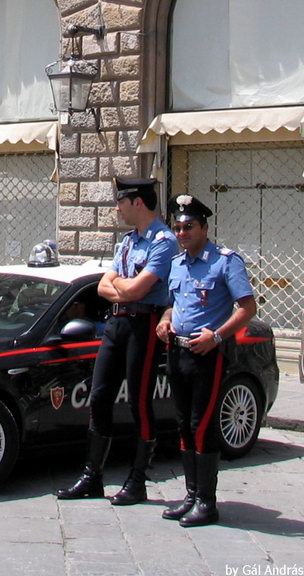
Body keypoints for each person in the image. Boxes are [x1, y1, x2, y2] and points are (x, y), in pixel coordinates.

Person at [57, 176, 179, 505]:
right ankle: (92, 476)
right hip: (117, 322)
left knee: (140, 401)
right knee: (99, 397)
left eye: (121, 202)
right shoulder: (128, 241)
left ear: (138, 202)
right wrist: (125, 286)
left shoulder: (163, 241)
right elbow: (102, 287)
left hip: (145, 323)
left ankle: (137, 480)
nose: (117, 208)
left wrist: (123, 286)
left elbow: (139, 290)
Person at [156, 195, 256, 527]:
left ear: (204, 228)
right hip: (178, 351)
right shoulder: (177, 263)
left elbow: (247, 309)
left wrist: (216, 337)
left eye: (189, 227)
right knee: (182, 424)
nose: (182, 232)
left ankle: (206, 501)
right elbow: (173, 304)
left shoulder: (226, 262)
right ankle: (191, 495)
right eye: (178, 227)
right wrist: (165, 321)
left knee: (202, 425)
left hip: (208, 356)